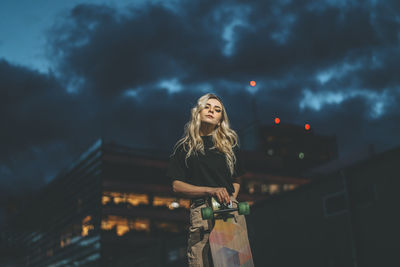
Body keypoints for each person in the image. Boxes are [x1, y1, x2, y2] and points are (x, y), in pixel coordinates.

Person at [166, 93, 248, 266]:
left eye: (217, 110)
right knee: (200, 262)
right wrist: (210, 190)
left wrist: (231, 199)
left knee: (234, 264)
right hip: (202, 210)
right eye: (207, 107)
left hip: (228, 210)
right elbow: (176, 186)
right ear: (198, 112)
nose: (212, 111)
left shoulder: (229, 147)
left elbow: (237, 179)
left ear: (220, 120)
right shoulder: (184, 147)